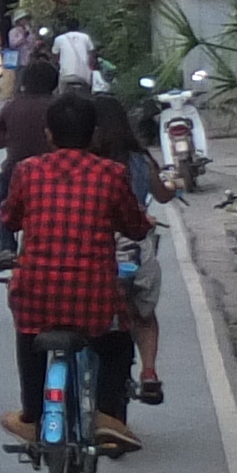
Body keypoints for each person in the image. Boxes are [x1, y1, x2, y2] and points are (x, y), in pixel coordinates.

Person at [0, 89, 153, 454]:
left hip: (35, 290)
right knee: (117, 342)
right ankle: (108, 414)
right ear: (94, 133)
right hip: (94, 295)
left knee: (27, 334)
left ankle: (32, 414)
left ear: (49, 133)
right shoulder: (112, 173)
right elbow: (134, 225)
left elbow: (10, 218)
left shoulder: (27, 171)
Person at [85, 92, 174, 404]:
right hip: (136, 247)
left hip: (94, 247)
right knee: (144, 315)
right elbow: (163, 196)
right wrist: (173, 183)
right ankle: (149, 371)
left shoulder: (86, 164)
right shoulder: (139, 161)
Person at [0, 53, 61, 271]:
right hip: (54, 175)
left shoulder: (12, 106)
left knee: (2, 204)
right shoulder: (59, 107)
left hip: (16, 173)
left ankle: (6, 246)